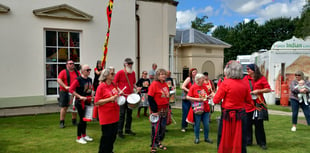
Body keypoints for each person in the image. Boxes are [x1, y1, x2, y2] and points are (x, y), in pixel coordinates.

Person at [213, 60, 254, 153]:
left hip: (228, 115)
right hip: (241, 114)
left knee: (224, 138)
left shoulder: (225, 83)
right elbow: (249, 101)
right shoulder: (244, 83)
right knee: (241, 139)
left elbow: (216, 100)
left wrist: (214, 95)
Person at [243, 64, 271, 150]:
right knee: (247, 124)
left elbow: (268, 89)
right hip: (248, 104)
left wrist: (258, 91)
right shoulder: (245, 78)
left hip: (258, 104)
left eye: (249, 69)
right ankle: (248, 141)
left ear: (254, 70)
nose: (247, 70)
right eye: (247, 69)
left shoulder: (261, 78)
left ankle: (262, 143)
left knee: (259, 124)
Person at [114, 58, 141, 138]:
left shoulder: (133, 73)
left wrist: (137, 88)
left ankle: (128, 129)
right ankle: (119, 131)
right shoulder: (120, 73)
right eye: (129, 64)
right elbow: (115, 83)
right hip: (122, 96)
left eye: (131, 64)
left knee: (129, 114)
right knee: (122, 114)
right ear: (125, 64)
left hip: (130, 96)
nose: (130, 65)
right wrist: (119, 91)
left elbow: (133, 83)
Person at [94, 67, 119, 153]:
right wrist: (110, 99)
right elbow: (96, 102)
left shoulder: (113, 84)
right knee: (106, 136)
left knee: (113, 136)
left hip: (115, 114)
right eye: (112, 74)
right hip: (106, 116)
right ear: (106, 75)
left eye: (114, 73)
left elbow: (115, 94)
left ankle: (110, 151)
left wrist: (118, 95)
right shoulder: (101, 87)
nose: (114, 75)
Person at [69, 64, 94, 144]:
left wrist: (92, 96)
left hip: (88, 101)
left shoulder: (90, 79)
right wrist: (80, 96)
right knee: (82, 119)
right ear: (82, 71)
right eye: (87, 70)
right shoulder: (78, 80)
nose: (89, 71)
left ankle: (84, 135)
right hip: (80, 102)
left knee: (85, 119)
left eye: (90, 69)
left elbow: (90, 89)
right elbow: (71, 89)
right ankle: (79, 137)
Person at [186, 73, 213, 144]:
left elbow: (205, 96)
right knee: (197, 124)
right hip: (198, 108)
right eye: (202, 79)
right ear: (198, 80)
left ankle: (206, 137)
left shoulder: (204, 87)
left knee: (206, 124)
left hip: (206, 108)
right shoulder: (193, 87)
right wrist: (198, 99)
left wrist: (208, 97)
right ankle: (197, 138)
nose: (204, 80)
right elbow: (188, 97)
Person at [148, 68, 170, 153]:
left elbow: (166, 96)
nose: (164, 75)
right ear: (157, 76)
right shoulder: (154, 84)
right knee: (155, 129)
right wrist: (154, 111)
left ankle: (159, 142)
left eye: (164, 74)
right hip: (156, 109)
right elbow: (150, 98)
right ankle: (153, 146)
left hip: (164, 109)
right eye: (161, 74)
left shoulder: (165, 84)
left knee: (162, 128)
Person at [57, 60, 79, 128]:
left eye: (73, 63)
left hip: (73, 91)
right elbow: (59, 80)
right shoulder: (63, 72)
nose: (72, 64)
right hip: (64, 91)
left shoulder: (77, 72)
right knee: (64, 107)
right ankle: (62, 122)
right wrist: (65, 86)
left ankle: (74, 120)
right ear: (67, 65)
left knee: (74, 106)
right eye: (70, 63)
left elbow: (79, 79)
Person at [181, 68, 197, 132]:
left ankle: (194, 125)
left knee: (194, 112)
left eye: (196, 72)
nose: (195, 73)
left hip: (193, 98)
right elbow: (182, 86)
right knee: (186, 112)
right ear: (191, 73)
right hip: (186, 98)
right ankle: (183, 126)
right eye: (193, 72)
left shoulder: (196, 80)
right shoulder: (188, 79)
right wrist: (189, 91)